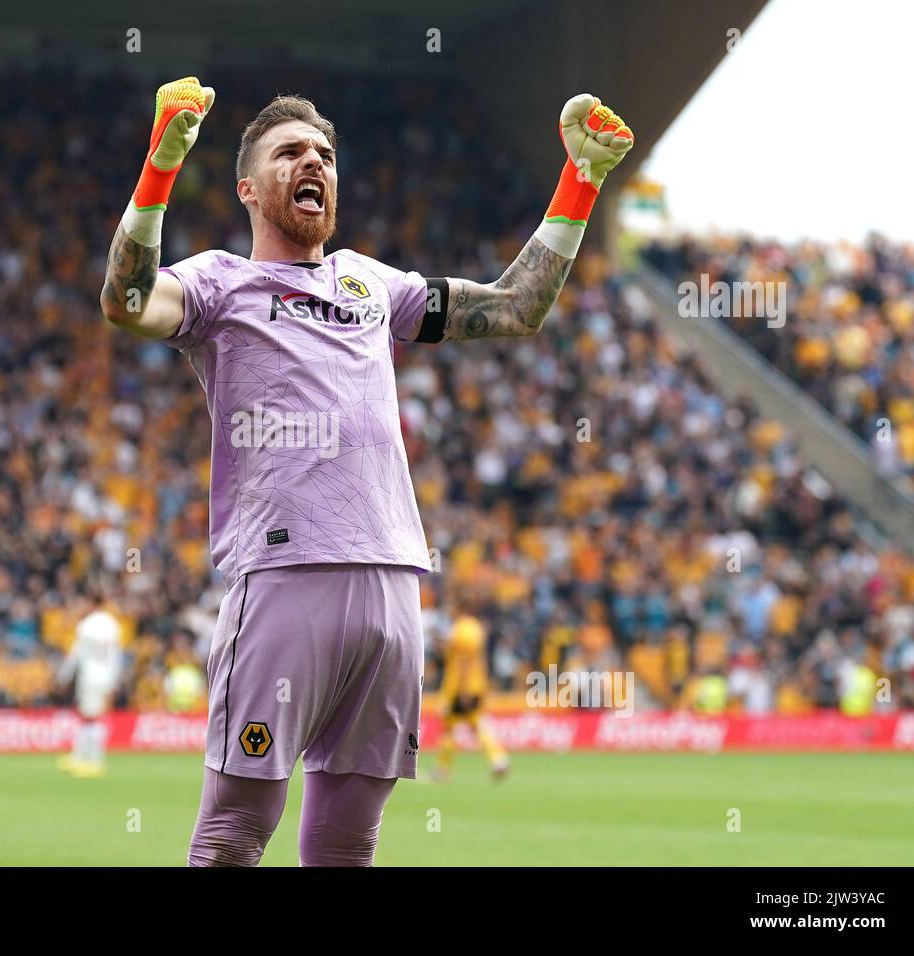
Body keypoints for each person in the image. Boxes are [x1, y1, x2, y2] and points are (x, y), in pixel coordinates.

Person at [100, 76, 633, 866]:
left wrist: (578, 182)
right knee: (236, 829)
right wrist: (161, 168)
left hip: (393, 581)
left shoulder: (371, 284)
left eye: (323, 153)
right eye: (289, 153)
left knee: (350, 842)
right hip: (286, 572)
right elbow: (126, 299)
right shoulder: (222, 283)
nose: (312, 161)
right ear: (248, 187)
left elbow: (519, 309)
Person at [435, 613, 509, 781]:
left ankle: (443, 768)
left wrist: (463, 691)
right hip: (477, 686)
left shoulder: (462, 631)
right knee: (478, 725)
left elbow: (463, 663)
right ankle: (498, 759)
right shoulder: (476, 629)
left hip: (460, 689)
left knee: (449, 730)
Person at [56, 609, 123, 778]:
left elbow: (76, 654)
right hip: (106, 676)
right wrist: (115, 680)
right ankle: (78, 758)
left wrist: (63, 676)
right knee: (91, 717)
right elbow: (117, 656)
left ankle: (93, 761)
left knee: (90, 719)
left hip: (90, 675)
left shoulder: (86, 626)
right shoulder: (112, 624)